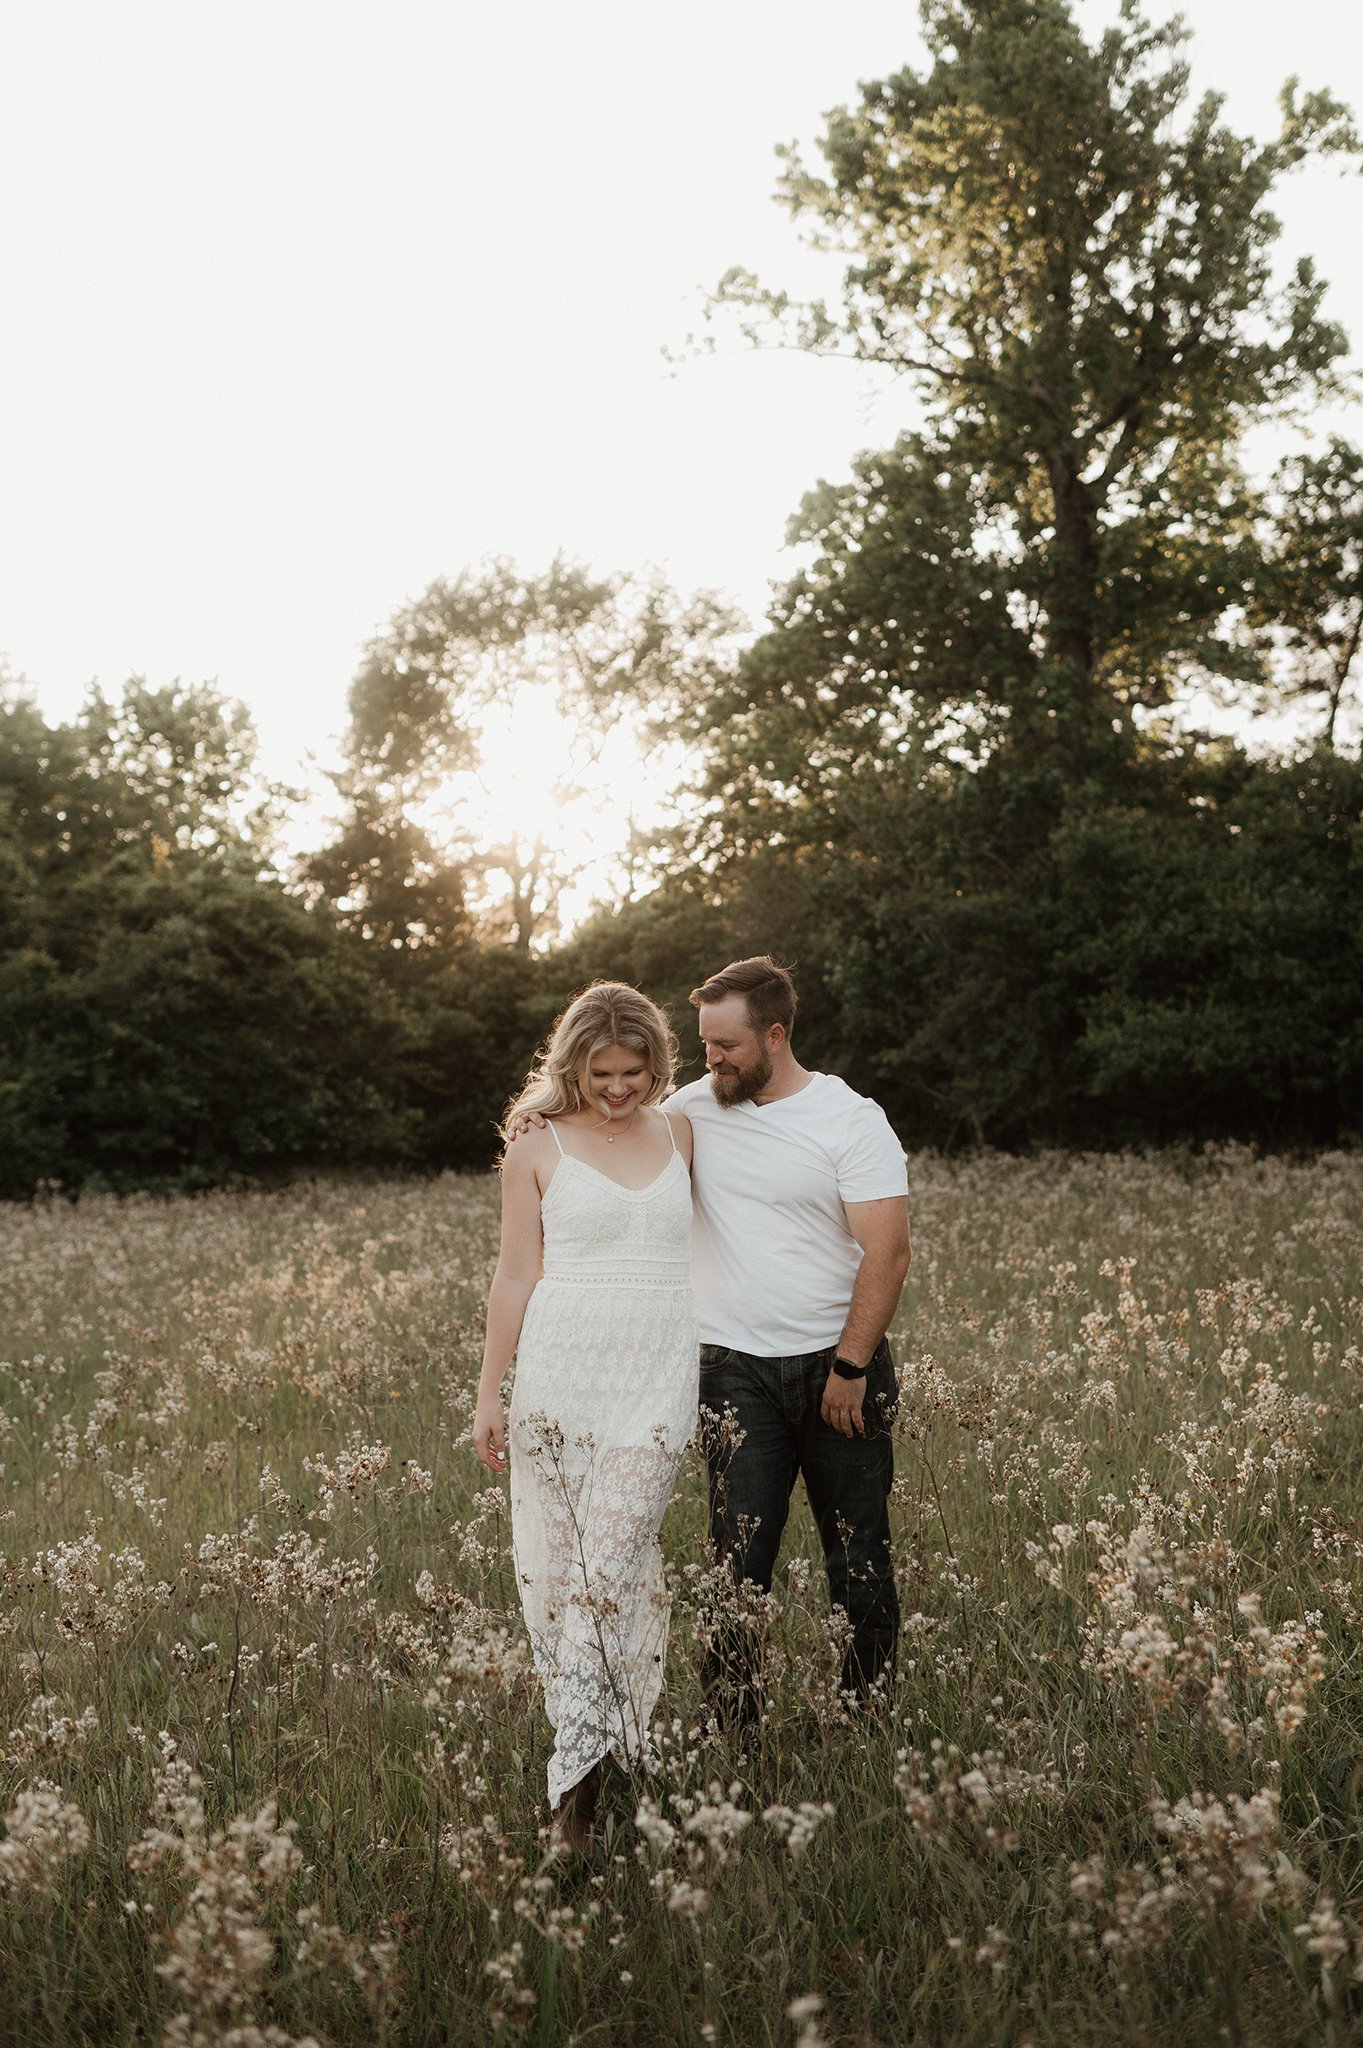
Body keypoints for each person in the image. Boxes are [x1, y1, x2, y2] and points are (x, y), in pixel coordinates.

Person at [471, 982, 697, 1853]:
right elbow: (515, 1274)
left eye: (633, 1071)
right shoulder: (534, 1148)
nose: (617, 1088)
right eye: (600, 1072)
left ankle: (572, 1805)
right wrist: (490, 1391)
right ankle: (597, 1757)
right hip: (560, 1379)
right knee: (568, 1588)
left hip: (657, 1377)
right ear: (572, 1066)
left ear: (656, 1065)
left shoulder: (682, 1130)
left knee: (607, 1575)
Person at [668, 956, 911, 1722]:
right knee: (736, 1560)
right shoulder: (692, 1110)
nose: (711, 1061)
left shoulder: (849, 1118)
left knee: (857, 1552)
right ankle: (730, 1725)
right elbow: (608, 1124)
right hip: (733, 1371)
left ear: (775, 1036)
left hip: (838, 1366)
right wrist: (542, 1114)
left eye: (726, 1046)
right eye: (704, 1044)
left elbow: (888, 1251)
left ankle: (863, 1714)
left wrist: (851, 1365)